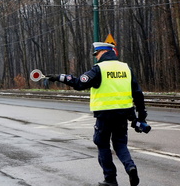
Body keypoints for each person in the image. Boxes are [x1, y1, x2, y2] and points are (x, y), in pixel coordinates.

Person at [47, 42, 147, 186]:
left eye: (97, 54)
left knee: (102, 144)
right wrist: (141, 115)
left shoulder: (99, 69)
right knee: (120, 144)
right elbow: (137, 93)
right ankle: (130, 167)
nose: (96, 57)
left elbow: (79, 83)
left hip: (104, 116)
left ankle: (110, 179)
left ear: (104, 52)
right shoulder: (126, 68)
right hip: (123, 115)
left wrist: (60, 77)